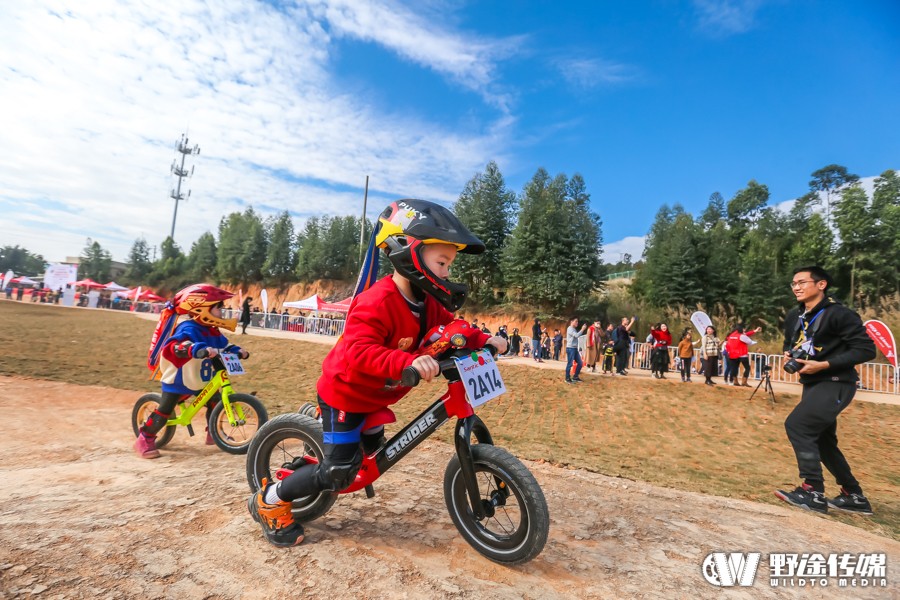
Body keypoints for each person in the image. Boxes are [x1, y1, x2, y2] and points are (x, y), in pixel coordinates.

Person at [247, 199, 508, 547]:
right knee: (341, 473)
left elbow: (452, 328)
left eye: (449, 265)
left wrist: (483, 339)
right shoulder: (377, 301)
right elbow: (358, 351)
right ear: (408, 251)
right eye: (442, 263)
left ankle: (327, 430)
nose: (447, 273)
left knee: (371, 449)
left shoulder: (427, 299)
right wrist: (407, 363)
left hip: (378, 394)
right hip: (347, 393)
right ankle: (272, 498)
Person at [774, 266, 876, 515]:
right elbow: (791, 344)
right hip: (813, 384)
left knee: (798, 425)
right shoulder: (794, 316)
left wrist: (824, 363)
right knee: (822, 440)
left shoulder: (839, 314)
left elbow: (866, 350)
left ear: (821, 285)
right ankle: (854, 496)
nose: (796, 287)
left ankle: (813, 492)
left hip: (837, 381)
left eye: (802, 282)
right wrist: (790, 354)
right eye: (793, 283)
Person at [134, 284, 248, 459]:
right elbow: (175, 345)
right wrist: (194, 349)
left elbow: (225, 345)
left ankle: (214, 432)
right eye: (219, 308)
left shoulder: (212, 330)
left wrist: (238, 351)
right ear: (203, 308)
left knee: (215, 401)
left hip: (199, 379)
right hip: (179, 380)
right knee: (164, 410)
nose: (223, 312)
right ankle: (145, 437)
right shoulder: (188, 328)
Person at [564, 316, 588, 383]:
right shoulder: (570, 329)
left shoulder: (574, 329)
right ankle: (567, 378)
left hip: (574, 348)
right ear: (571, 322)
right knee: (570, 364)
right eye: (576, 321)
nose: (577, 323)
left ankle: (575, 377)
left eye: (577, 321)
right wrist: (582, 329)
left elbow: (577, 336)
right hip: (570, 348)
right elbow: (576, 335)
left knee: (580, 363)